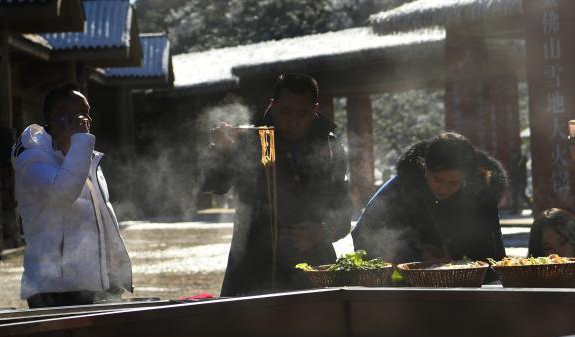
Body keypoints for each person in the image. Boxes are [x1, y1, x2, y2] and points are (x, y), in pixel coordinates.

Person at [202, 73, 352, 296]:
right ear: (273, 105)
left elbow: (343, 213)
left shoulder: (329, 147)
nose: (293, 122)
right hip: (254, 266)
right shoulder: (253, 138)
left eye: (303, 113)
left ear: (315, 109)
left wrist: (322, 230)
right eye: (285, 112)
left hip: (314, 267)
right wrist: (221, 150)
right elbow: (214, 184)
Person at [12, 85, 133, 308]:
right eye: (82, 113)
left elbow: (102, 216)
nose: (88, 120)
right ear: (58, 116)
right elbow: (63, 192)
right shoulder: (32, 159)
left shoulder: (82, 153)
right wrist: (80, 144)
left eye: (88, 113)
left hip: (97, 282)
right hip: (56, 288)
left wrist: (115, 271)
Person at [352, 132, 506, 268]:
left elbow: (495, 259)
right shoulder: (402, 188)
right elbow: (364, 235)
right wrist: (413, 258)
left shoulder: (481, 195)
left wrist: (455, 260)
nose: (444, 189)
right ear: (426, 169)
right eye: (437, 180)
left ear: (466, 179)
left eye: (453, 183)